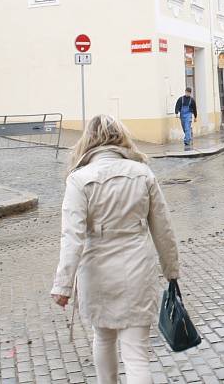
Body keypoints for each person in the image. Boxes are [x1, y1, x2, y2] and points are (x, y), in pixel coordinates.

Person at [50, 115, 179, 384]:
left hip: (97, 270)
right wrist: (171, 272)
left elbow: (72, 237)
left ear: (89, 141)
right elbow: (163, 228)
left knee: (104, 338)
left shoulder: (78, 179)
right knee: (136, 352)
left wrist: (63, 285)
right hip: (137, 268)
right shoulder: (143, 173)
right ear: (121, 138)